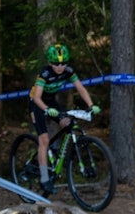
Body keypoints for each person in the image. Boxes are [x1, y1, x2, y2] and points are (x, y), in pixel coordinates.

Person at [28, 43, 99, 196]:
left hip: (51, 101)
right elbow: (37, 97)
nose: (60, 66)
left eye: (63, 63)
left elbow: (80, 88)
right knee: (44, 140)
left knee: (67, 123)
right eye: (56, 63)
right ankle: (44, 178)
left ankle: (55, 152)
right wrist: (46, 110)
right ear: (49, 63)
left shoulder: (68, 71)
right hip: (37, 103)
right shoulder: (45, 74)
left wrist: (91, 105)